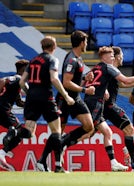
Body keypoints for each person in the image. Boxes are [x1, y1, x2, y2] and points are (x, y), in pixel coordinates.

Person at [0, 36, 75, 173]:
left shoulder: (33, 61)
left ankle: (10, 140)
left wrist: (30, 94)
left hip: (32, 99)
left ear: (42, 47)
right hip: (46, 98)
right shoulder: (52, 59)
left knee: (28, 132)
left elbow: (22, 82)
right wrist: (66, 95)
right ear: (54, 47)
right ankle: (58, 166)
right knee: (56, 131)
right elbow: (53, 79)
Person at [83, 46, 134, 171]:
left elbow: (120, 84)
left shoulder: (108, 69)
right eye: (121, 56)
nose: (122, 59)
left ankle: (63, 144)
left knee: (89, 133)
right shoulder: (110, 68)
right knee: (129, 129)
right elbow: (122, 81)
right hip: (108, 106)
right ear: (117, 56)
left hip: (102, 107)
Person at [36, 30, 95, 172]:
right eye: (85, 41)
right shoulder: (71, 59)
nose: (86, 44)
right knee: (57, 132)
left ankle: (63, 143)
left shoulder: (78, 59)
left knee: (89, 126)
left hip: (74, 98)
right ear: (81, 43)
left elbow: (73, 80)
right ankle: (47, 162)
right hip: (64, 99)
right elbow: (66, 82)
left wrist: (84, 79)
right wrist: (84, 90)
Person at [0, 59, 29, 170]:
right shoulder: (18, 79)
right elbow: (3, 80)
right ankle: (12, 132)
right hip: (4, 109)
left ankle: (3, 153)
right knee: (20, 131)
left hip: (3, 111)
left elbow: (19, 102)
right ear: (24, 70)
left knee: (21, 135)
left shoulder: (16, 84)